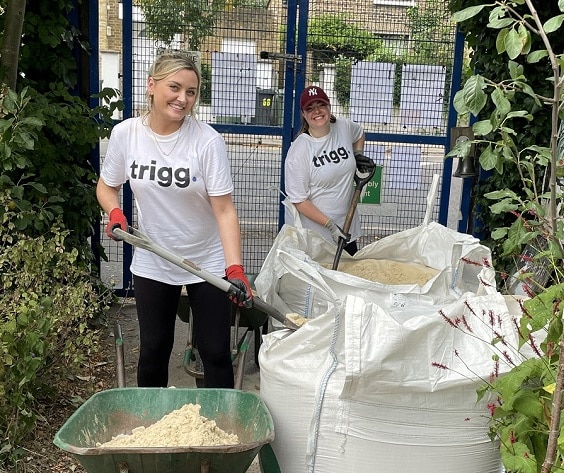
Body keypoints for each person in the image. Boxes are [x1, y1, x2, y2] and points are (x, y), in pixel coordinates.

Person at [96, 51, 253, 389]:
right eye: (175, 87)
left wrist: (234, 268)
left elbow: (224, 209)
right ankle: (153, 428)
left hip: (206, 261)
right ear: (152, 85)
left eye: (192, 92)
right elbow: (106, 187)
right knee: (154, 348)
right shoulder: (126, 135)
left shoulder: (207, 141)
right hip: (154, 257)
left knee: (213, 352)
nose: (183, 99)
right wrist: (115, 212)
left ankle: (219, 430)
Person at [284, 85, 376, 255]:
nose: (317, 111)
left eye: (321, 105)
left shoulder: (343, 127)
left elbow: (359, 133)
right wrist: (331, 226)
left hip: (347, 228)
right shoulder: (299, 151)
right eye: (310, 108)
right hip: (316, 237)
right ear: (303, 114)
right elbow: (299, 200)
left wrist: (357, 155)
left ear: (329, 106)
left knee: (347, 277)